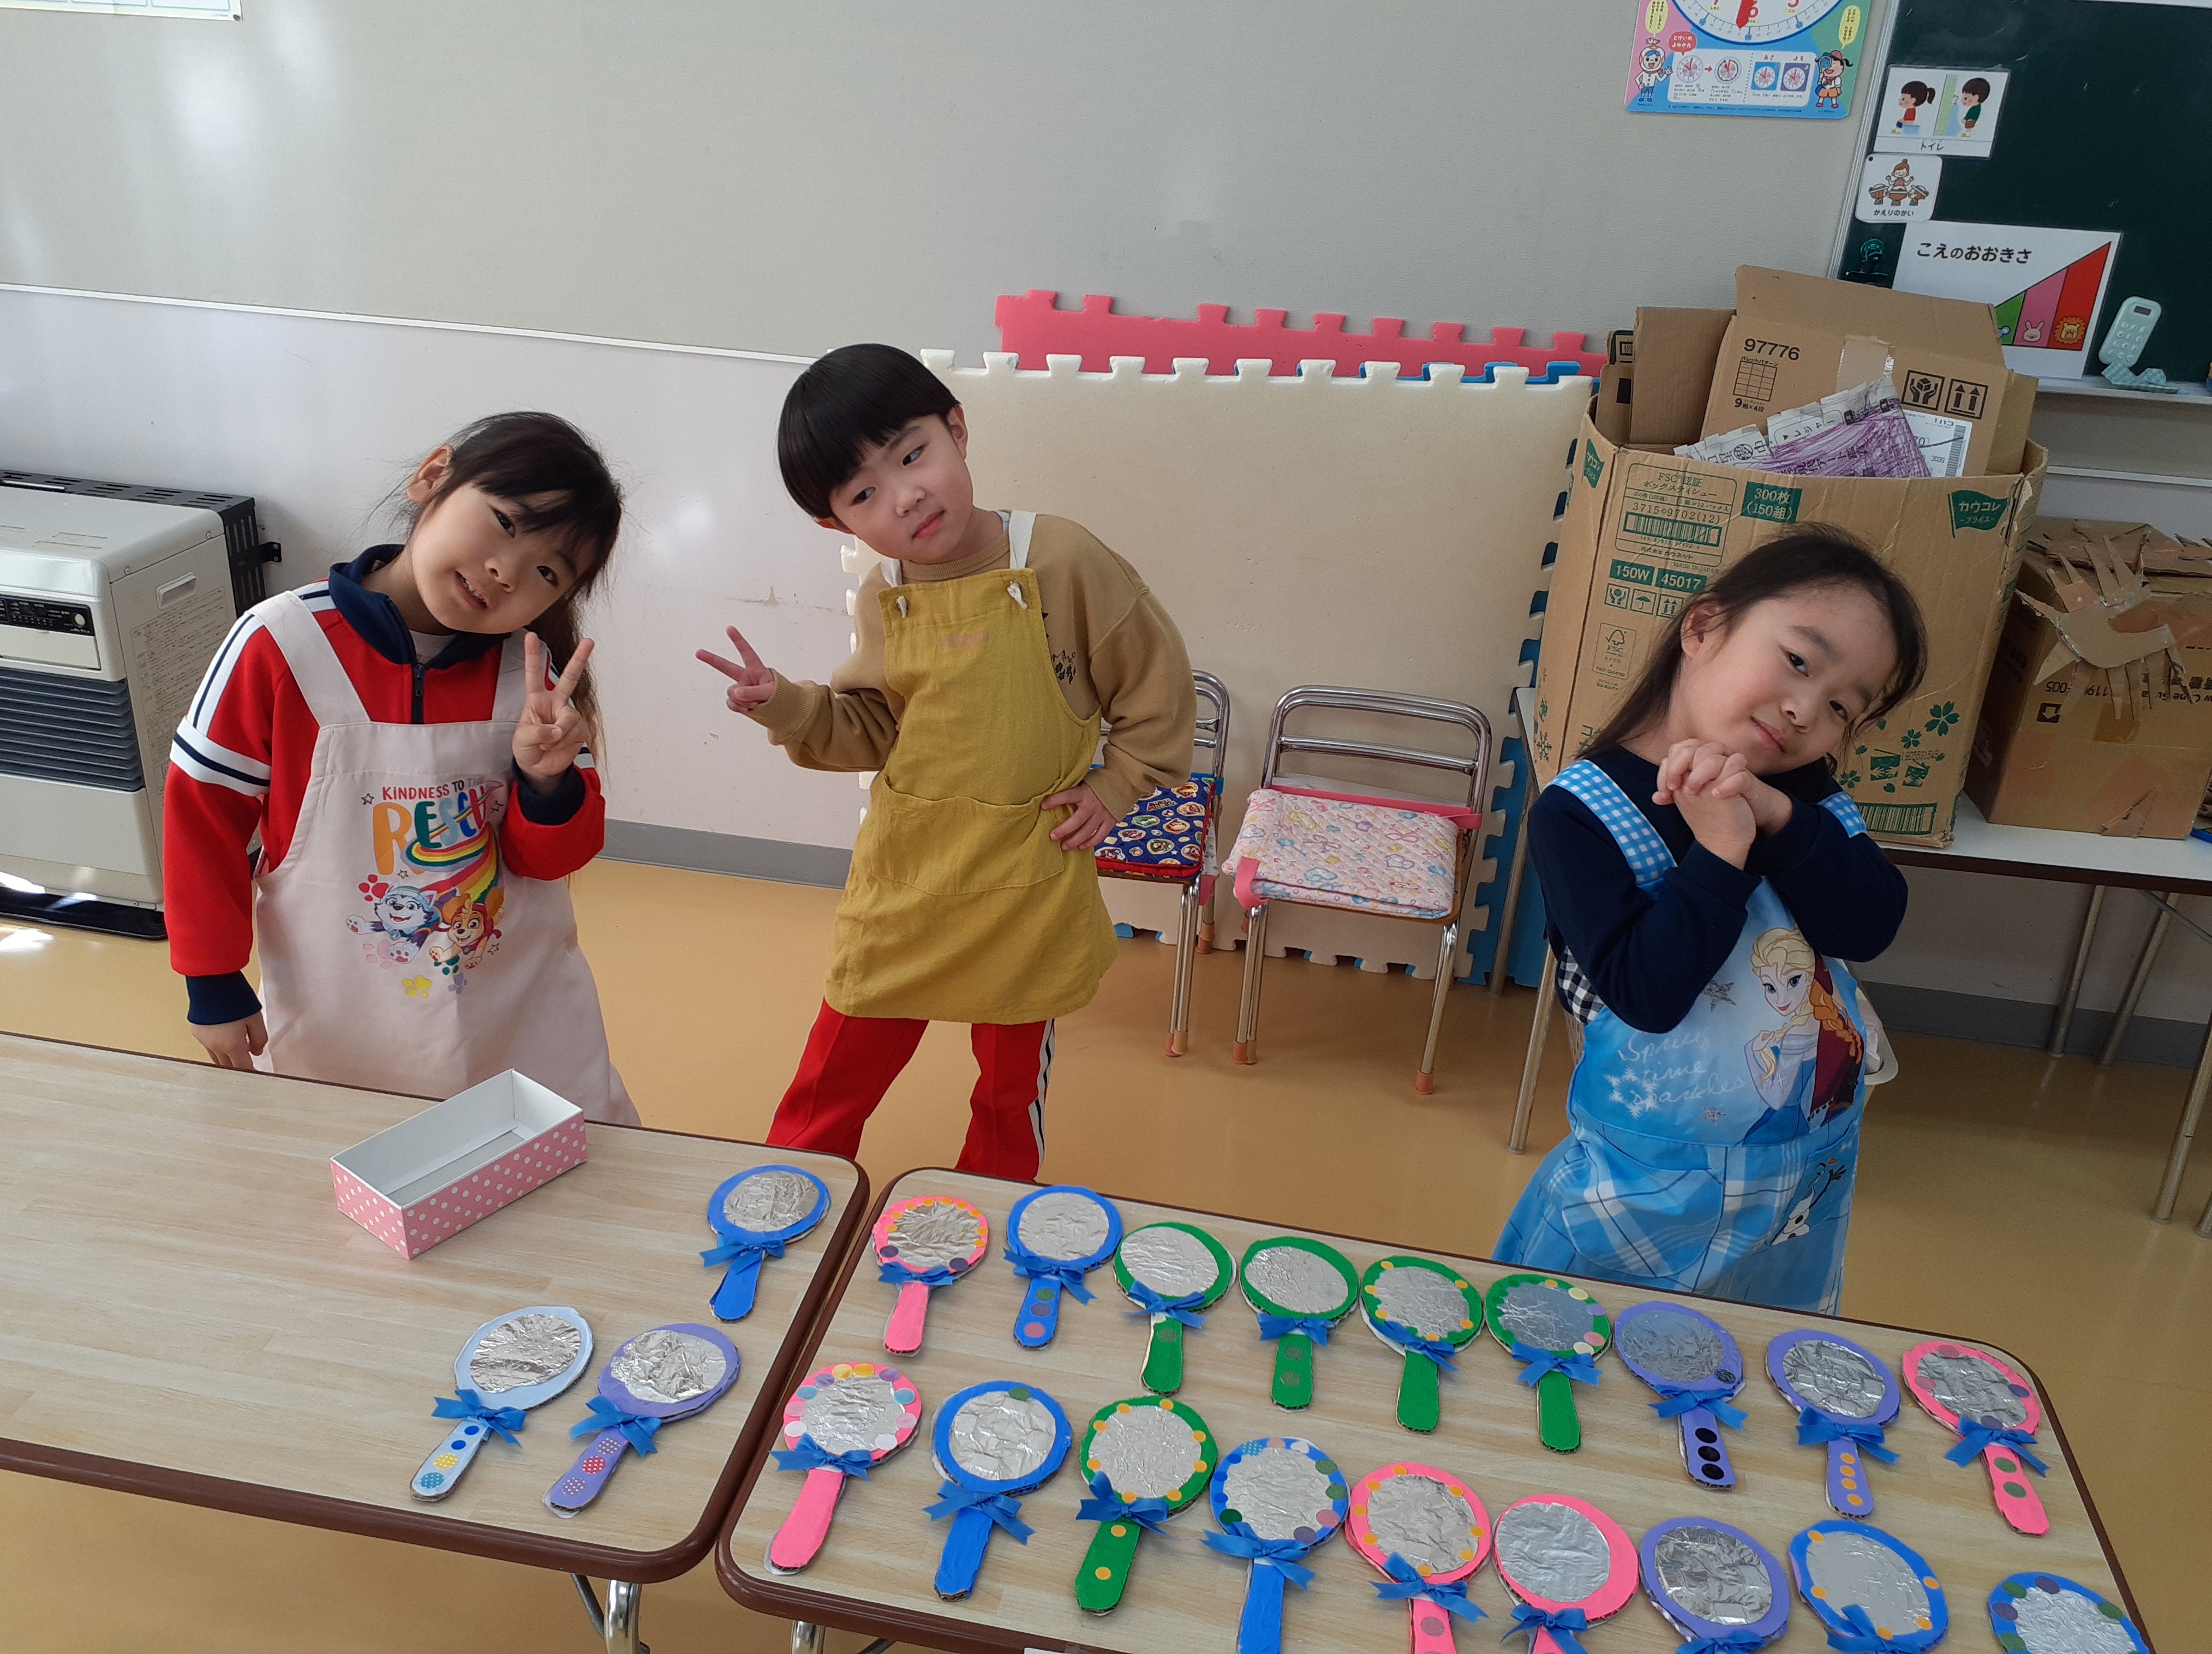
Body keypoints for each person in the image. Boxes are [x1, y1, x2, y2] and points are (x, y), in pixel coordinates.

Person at [701, 344, 1192, 1178]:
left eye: (911, 454)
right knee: (831, 1081)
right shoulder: (883, 595)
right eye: (863, 494)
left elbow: (1158, 688)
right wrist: (785, 703)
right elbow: (872, 729)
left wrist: (1116, 786)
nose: (905, 495)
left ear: (957, 431)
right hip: (909, 880)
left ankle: (989, 1215)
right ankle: (785, 1211)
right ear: (836, 526)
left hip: (1024, 885)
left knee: (1006, 1098)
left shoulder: (1062, 559)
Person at [1496, 528, 1927, 1313]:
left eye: (1841, 706)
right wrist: (1721, 851)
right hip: (1649, 1181)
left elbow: (1868, 925)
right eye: (1798, 661)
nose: (1804, 709)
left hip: (1802, 1172)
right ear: (1702, 628)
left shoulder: (1806, 794)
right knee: (1582, 1336)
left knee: (1756, 1347)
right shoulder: (1580, 813)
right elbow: (1648, 995)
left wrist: (1776, 816)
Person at [165, 411, 638, 1123]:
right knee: (347, 1166)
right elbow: (202, 820)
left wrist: (547, 781)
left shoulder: (533, 678)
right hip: (342, 1016)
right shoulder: (280, 644)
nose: (506, 572)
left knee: (554, 1174)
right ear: (432, 477)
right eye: (505, 523)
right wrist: (211, 977)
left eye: (547, 571)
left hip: (520, 1018)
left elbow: (554, 861)